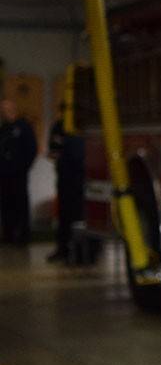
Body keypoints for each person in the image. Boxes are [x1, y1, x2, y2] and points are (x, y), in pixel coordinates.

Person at [46, 104, 85, 262]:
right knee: (64, 215)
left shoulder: (81, 127)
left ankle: (81, 251)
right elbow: (53, 149)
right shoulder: (58, 126)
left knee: (79, 215)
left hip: (80, 178)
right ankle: (63, 248)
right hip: (64, 176)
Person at [0, 98, 38, 246]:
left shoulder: (23, 126)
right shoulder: (4, 128)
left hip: (18, 174)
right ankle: (8, 235)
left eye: (6, 108)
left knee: (20, 205)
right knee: (6, 205)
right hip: (4, 174)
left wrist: (23, 168)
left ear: (13, 108)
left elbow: (32, 149)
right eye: (2, 109)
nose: (4, 111)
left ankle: (23, 236)